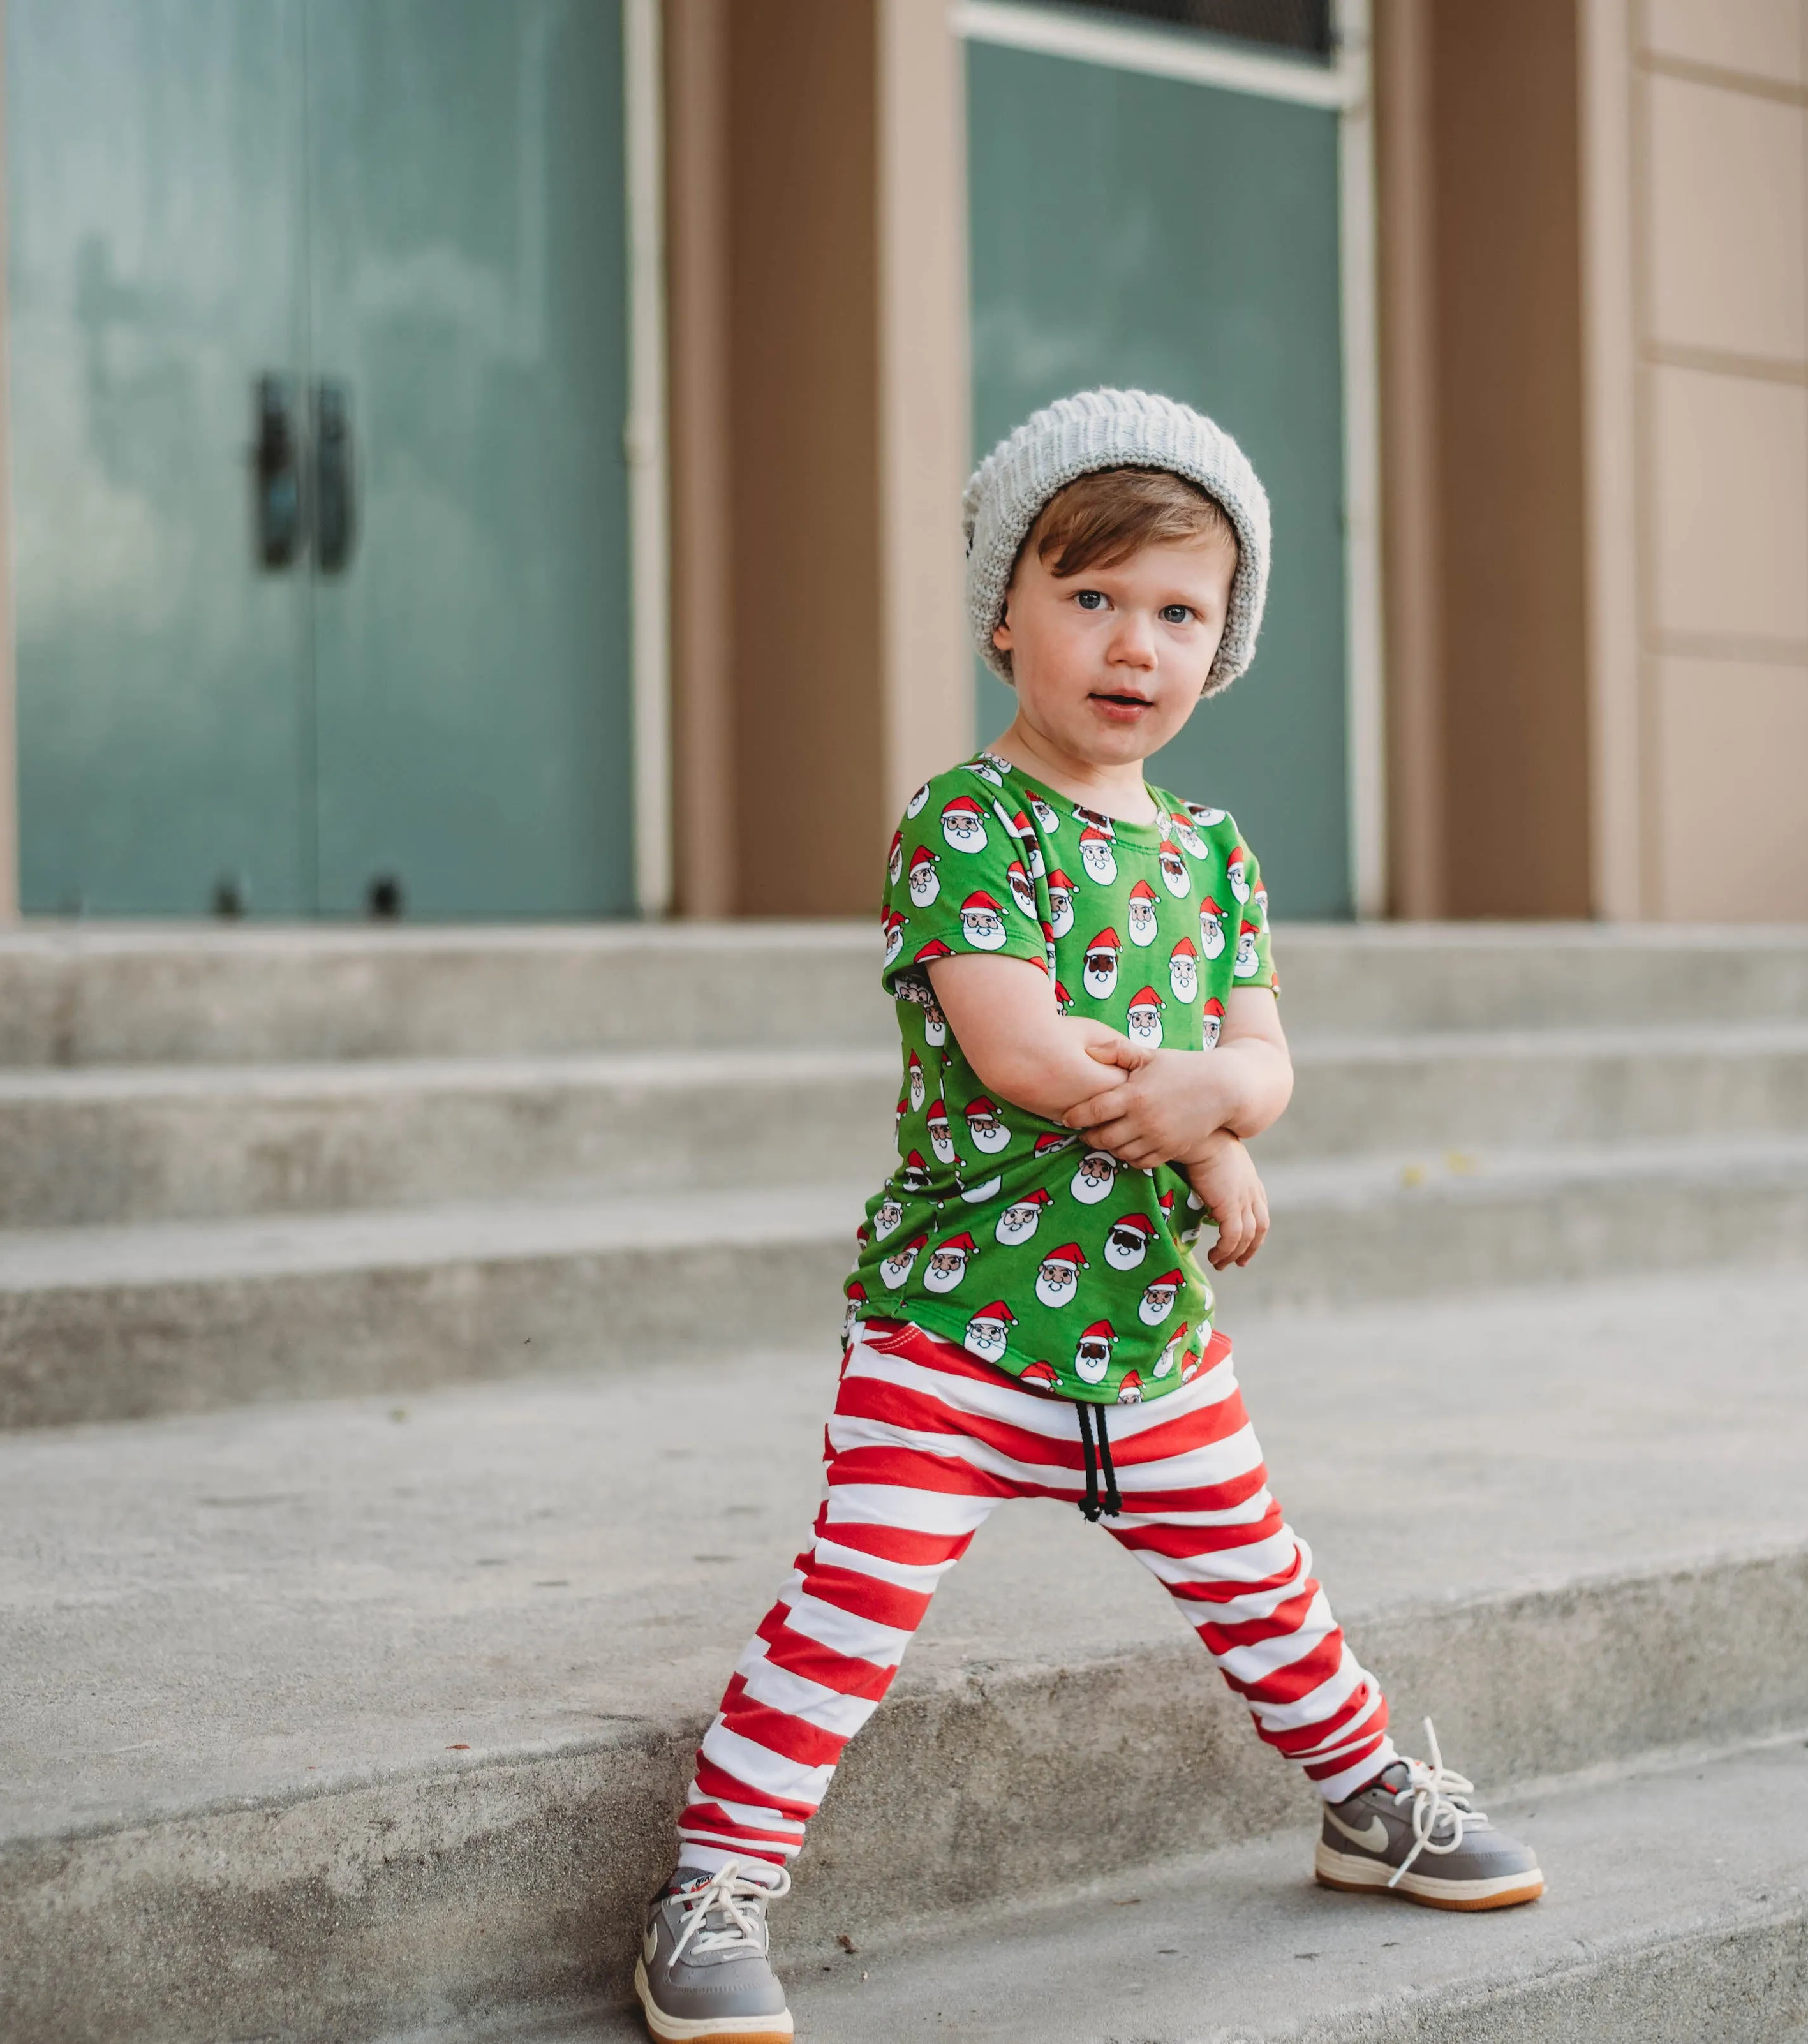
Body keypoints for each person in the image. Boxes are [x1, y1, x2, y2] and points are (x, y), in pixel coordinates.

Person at [634, 389, 1542, 2044]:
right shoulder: (964, 823)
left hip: (1151, 1342)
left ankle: (1363, 1797)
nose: (1135, 643)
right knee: (852, 1607)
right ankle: (715, 1876)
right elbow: (1027, 1049)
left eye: (1180, 611)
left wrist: (1238, 1102)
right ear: (1007, 612)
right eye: (1092, 596)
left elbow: (1271, 1054)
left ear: (1222, 645)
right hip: (953, 1333)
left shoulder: (1214, 852)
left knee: (1270, 1590)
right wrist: (1205, 1131)